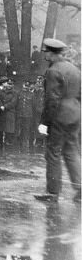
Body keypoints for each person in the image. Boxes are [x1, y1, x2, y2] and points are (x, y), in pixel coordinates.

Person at [34, 38, 81, 203]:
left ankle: (52, 192)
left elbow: (51, 100)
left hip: (59, 116)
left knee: (53, 153)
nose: (45, 55)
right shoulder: (75, 69)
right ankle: (80, 187)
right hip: (75, 115)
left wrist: (44, 122)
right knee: (71, 151)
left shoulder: (53, 71)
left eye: (46, 52)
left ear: (51, 54)